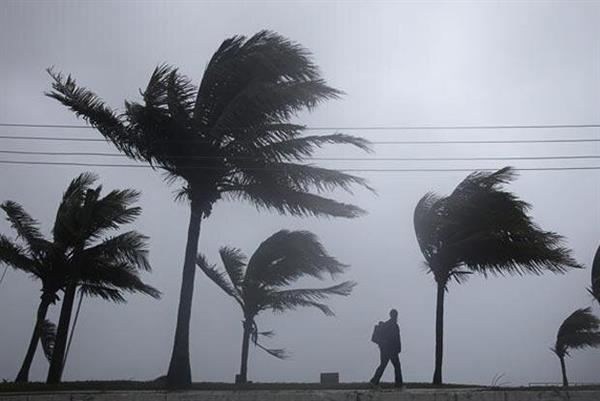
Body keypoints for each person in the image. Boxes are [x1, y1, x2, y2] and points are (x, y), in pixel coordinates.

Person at [370, 309, 403, 388]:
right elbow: (396, 338)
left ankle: (374, 381)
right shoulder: (394, 325)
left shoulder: (386, 324)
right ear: (394, 315)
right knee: (397, 366)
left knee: (383, 365)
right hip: (392, 350)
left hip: (385, 350)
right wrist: (398, 348)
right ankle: (398, 384)